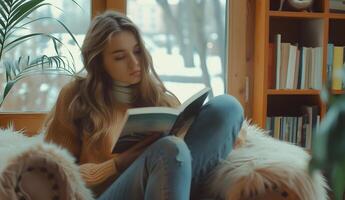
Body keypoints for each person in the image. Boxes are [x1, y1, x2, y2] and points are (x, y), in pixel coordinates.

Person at [44, 10, 244, 200]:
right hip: (105, 194)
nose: (134, 63)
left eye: (137, 52)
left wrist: (222, 135)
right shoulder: (75, 97)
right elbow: (56, 173)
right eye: (120, 57)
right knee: (168, 147)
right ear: (99, 62)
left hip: (161, 186)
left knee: (227, 106)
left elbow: (193, 147)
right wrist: (117, 164)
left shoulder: (155, 95)